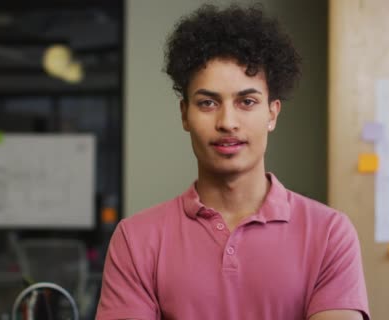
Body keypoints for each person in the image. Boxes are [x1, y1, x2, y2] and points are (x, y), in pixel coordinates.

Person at [96, 4, 369, 320]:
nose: (228, 121)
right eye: (208, 103)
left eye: (247, 102)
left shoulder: (330, 233)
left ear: (272, 113)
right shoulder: (136, 239)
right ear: (185, 114)